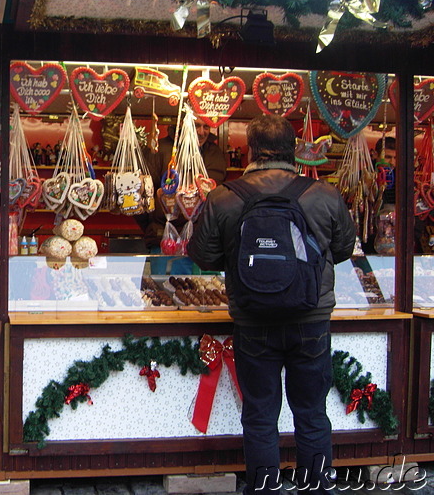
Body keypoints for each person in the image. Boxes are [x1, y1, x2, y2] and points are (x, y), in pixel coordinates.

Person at [187, 114, 355, 495]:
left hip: (253, 321)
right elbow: (344, 248)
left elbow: (203, 255)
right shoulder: (323, 195)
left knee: (260, 415)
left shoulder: (225, 196)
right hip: (311, 320)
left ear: (250, 150)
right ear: (293, 150)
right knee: (312, 414)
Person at [134, 119, 226, 267]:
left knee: (196, 287)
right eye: (196, 125)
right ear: (183, 124)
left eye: (206, 126)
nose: (201, 132)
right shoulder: (159, 150)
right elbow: (142, 196)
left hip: (200, 240)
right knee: (162, 286)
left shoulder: (214, 154)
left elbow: (216, 198)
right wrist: (152, 226)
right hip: (164, 238)